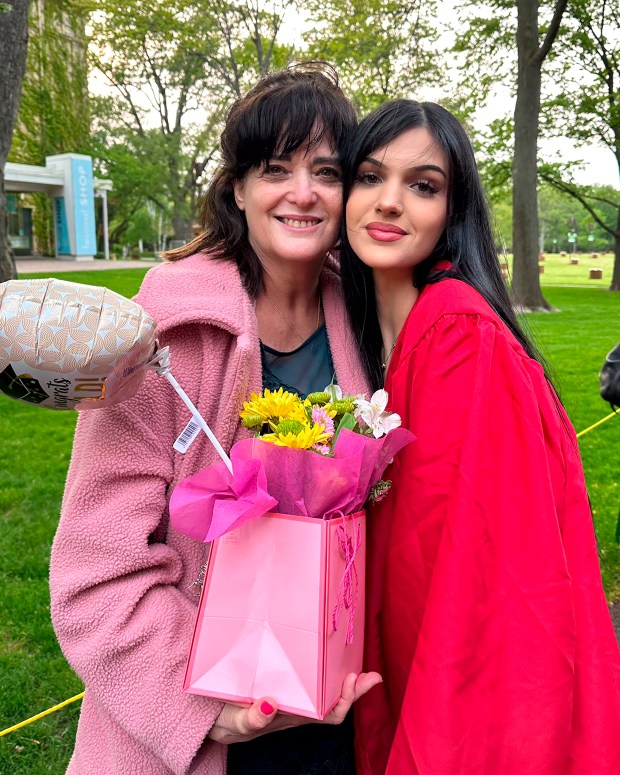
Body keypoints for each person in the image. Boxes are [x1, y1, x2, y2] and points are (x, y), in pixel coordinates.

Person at [49, 63, 380, 775]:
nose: (302, 192)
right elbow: (98, 571)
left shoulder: (366, 321)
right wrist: (205, 707)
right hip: (196, 738)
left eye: (326, 170)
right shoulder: (163, 335)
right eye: (274, 168)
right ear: (236, 187)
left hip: (334, 724)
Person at [339, 99, 620, 774]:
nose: (390, 203)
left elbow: (490, 581)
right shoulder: (378, 338)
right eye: (370, 177)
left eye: (423, 186)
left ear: (452, 210)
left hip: (467, 702)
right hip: (397, 660)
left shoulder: (463, 339)